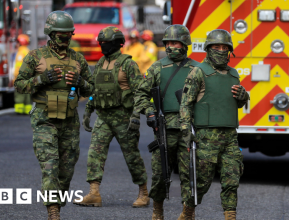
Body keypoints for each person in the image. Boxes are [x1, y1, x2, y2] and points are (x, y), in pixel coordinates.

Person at [14, 11, 94, 220]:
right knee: (50, 164)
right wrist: (41, 80)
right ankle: (53, 211)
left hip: (69, 119)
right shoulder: (35, 57)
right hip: (44, 118)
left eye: (68, 33)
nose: (65, 37)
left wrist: (80, 82)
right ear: (50, 33)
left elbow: (91, 89)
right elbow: (20, 85)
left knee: (66, 169)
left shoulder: (77, 59)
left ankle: (57, 201)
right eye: (60, 33)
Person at [73, 26, 149, 208]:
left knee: (132, 156)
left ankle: (144, 193)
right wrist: (89, 109)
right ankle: (94, 193)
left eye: (106, 43)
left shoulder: (128, 64)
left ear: (117, 44)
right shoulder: (100, 63)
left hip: (124, 117)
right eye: (101, 43)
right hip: (104, 117)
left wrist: (137, 115)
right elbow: (95, 89)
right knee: (94, 153)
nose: (103, 46)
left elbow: (140, 91)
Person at [179, 29, 250, 220]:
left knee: (231, 179)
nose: (220, 50)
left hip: (230, 137)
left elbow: (234, 102)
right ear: (208, 49)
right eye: (216, 47)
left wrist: (244, 97)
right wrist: (186, 129)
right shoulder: (198, 72)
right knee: (201, 182)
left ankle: (230, 216)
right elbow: (186, 103)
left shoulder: (233, 74)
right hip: (206, 137)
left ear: (230, 50)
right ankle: (187, 213)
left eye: (224, 47)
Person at [133, 25, 200, 220]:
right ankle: (157, 211)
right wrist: (150, 112)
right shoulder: (157, 67)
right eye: (168, 43)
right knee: (160, 173)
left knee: (190, 174)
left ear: (185, 44)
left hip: (189, 128)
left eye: (175, 42)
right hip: (164, 128)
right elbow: (141, 93)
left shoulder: (196, 68)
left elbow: (205, 99)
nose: (171, 46)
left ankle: (188, 212)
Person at [13, 34, 31, 114]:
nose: (16, 44)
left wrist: (16, 77)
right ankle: (27, 110)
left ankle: (19, 110)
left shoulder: (21, 52)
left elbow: (18, 66)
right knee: (27, 94)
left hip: (21, 77)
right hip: (28, 76)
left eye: (17, 42)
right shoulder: (28, 51)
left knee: (19, 93)